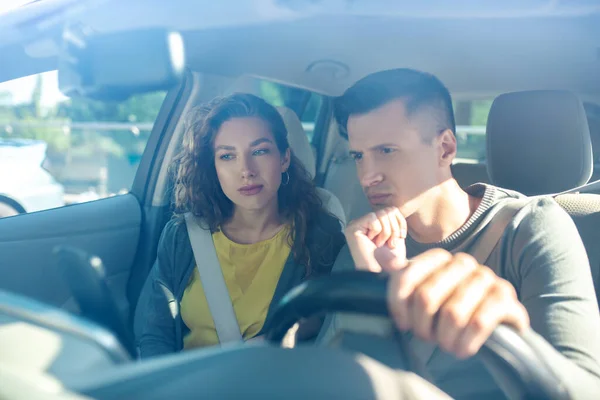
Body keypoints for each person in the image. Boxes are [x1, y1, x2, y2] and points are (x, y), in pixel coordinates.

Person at [323, 68, 600, 398]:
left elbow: (586, 390)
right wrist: (375, 281)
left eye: (387, 150)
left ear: (445, 148)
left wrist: (510, 334)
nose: (367, 176)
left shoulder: (529, 228)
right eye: (358, 155)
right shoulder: (361, 245)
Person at [137, 93, 345, 357]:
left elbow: (329, 320)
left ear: (284, 159)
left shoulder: (319, 236)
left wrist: (283, 335)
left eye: (259, 151)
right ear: (213, 167)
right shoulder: (182, 236)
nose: (246, 170)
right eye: (227, 156)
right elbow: (156, 334)